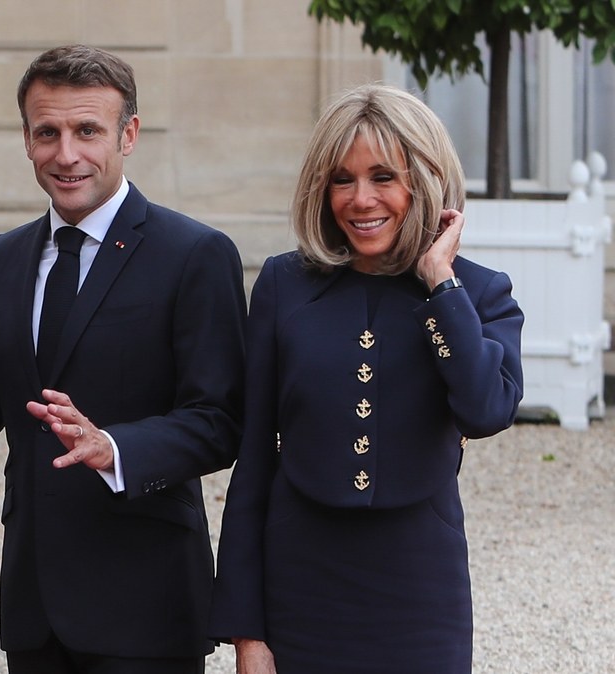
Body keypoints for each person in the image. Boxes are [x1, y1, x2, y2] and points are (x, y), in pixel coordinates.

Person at [208, 83, 525, 673]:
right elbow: (252, 467)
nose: (360, 199)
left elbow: (487, 410)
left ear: (424, 182)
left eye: (383, 176)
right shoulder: (283, 286)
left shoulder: (478, 292)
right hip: (300, 588)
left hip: (421, 594)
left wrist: (440, 280)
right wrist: (246, 633)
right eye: (341, 179)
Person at [0, 44, 247, 673]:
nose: (67, 154)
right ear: (26, 139)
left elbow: (221, 420)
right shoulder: (3, 258)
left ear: (128, 134)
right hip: (33, 605)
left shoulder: (194, 254)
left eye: (88, 130)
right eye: (47, 132)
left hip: (145, 601)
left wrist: (116, 448)